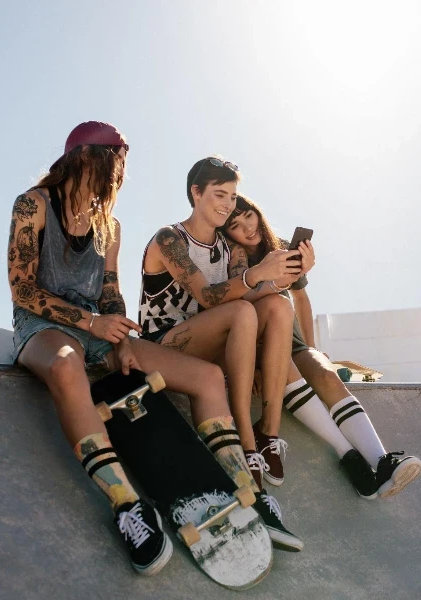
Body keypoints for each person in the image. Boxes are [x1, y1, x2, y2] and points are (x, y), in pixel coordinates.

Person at [7, 123, 274, 574]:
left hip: (102, 329)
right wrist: (92, 322)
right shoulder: (32, 205)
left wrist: (122, 337)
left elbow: (110, 290)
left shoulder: (108, 225)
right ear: (88, 158)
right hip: (43, 324)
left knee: (207, 378)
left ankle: (245, 487)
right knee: (67, 366)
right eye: (117, 162)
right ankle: (128, 507)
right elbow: (22, 290)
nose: (120, 174)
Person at [138, 156, 303, 550]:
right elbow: (210, 297)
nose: (228, 205)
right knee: (244, 310)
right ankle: (248, 449)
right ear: (196, 193)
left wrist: (289, 275)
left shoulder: (230, 250)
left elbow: (253, 291)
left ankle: (268, 436)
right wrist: (255, 278)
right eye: (219, 195)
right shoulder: (170, 239)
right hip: (165, 344)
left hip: (214, 341)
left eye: (232, 196)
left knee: (279, 306)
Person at [221, 193, 421, 499]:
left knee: (324, 373)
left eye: (248, 215)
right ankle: (349, 455)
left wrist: (313, 349)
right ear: (227, 233)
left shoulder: (280, 245)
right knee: (286, 367)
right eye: (235, 225)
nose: (247, 228)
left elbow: (300, 299)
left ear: (256, 212)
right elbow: (234, 304)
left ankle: (381, 462)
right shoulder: (230, 256)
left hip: (294, 342)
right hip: (259, 343)